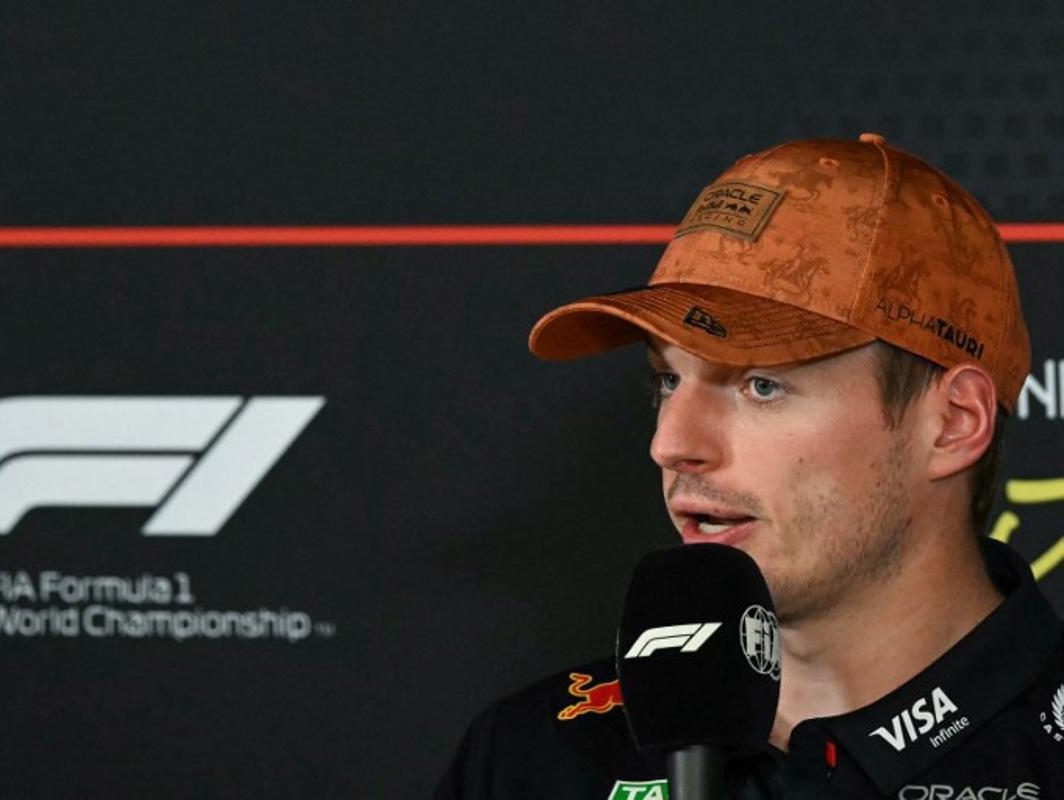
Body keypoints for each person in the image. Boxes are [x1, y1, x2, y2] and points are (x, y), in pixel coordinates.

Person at [434, 134, 1064, 799]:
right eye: (668, 380)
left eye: (761, 385)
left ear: (954, 423)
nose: (671, 443)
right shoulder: (536, 756)